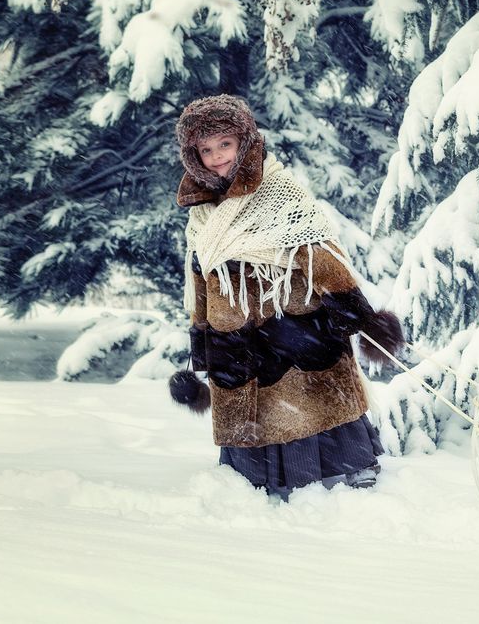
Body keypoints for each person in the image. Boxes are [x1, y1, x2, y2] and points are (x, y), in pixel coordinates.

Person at [167, 94, 403, 498]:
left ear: (244, 140)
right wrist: (203, 346)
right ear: (194, 156)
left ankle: (340, 472)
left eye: (224, 144)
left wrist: (361, 315)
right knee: (251, 409)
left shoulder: (278, 191)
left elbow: (319, 254)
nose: (217, 156)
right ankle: (259, 481)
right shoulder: (202, 210)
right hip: (234, 331)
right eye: (206, 149)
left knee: (305, 398)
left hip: (290, 322)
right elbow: (200, 278)